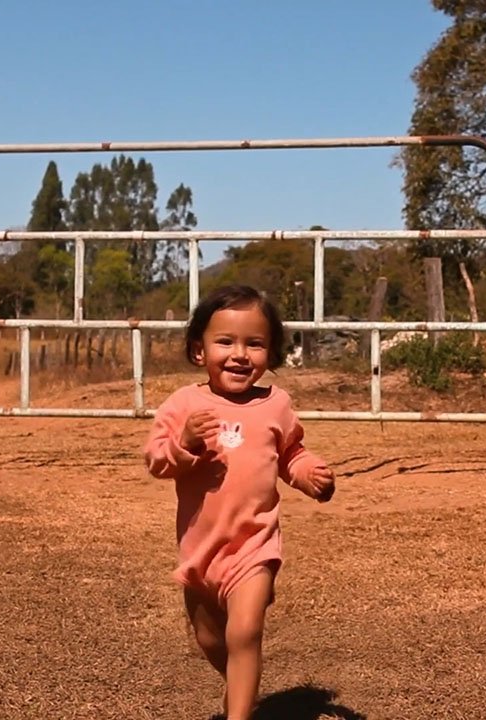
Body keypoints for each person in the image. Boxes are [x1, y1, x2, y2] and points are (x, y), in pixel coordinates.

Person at [143, 284, 335, 720]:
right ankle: (239, 688)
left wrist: (308, 474)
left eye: (255, 343)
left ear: (271, 352)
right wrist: (185, 443)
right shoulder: (184, 404)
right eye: (225, 342)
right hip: (200, 552)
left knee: (245, 632)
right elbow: (156, 460)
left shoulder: (277, 404)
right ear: (199, 350)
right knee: (212, 641)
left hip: (254, 545)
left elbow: (290, 453)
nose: (239, 355)